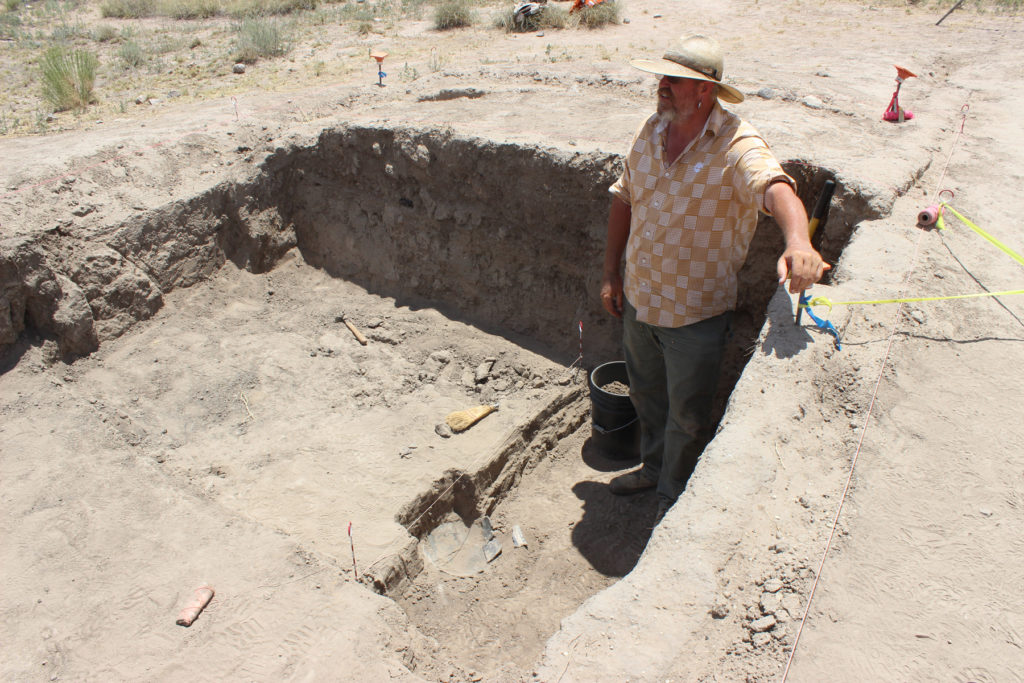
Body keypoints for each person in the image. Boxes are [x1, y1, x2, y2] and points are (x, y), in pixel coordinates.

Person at [600, 35, 828, 523]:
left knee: (687, 415)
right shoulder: (652, 129)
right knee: (647, 395)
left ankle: (673, 494)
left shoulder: (737, 144)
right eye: (661, 76)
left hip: (695, 313)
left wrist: (798, 243)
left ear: (704, 91)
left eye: (672, 80)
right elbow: (625, 199)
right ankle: (653, 468)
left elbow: (775, 187)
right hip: (641, 299)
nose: (660, 86)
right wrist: (610, 274)